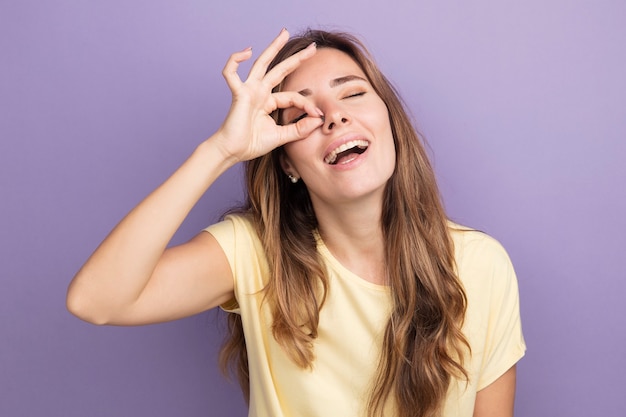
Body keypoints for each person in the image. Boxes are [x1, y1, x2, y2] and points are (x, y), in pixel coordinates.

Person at [66, 28, 526, 417]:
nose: (335, 115)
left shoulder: (481, 264)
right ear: (287, 162)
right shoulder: (255, 253)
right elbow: (95, 301)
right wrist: (220, 151)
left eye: (353, 93)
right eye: (303, 112)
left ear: (390, 122)